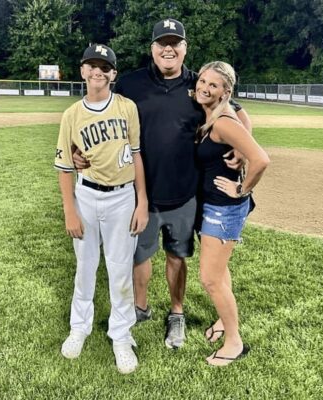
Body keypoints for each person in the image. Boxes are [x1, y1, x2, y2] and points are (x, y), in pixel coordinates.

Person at [74, 19, 251, 350]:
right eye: (161, 43)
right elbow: (96, 113)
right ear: (152, 48)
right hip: (138, 194)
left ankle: (177, 312)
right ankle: (140, 308)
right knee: (139, 257)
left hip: (184, 194)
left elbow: (236, 112)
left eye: (175, 43)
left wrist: (243, 146)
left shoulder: (199, 84)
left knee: (176, 256)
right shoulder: (130, 84)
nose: (168, 48)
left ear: (185, 48)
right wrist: (76, 150)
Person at [54, 44, 148, 374]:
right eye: (91, 65)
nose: (97, 71)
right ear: (82, 71)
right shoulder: (71, 115)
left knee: (120, 269)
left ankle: (121, 335)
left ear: (113, 74)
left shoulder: (127, 107)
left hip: (123, 198)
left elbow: (137, 155)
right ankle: (79, 326)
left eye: (104, 66)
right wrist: (69, 210)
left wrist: (143, 202)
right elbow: (65, 166)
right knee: (85, 266)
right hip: (86, 197)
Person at [194, 61, 269, 366]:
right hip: (211, 204)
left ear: (226, 91)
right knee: (220, 272)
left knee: (210, 279)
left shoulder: (223, 121)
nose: (205, 88)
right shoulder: (218, 111)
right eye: (202, 81)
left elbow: (261, 159)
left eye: (214, 85)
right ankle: (224, 322)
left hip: (223, 208)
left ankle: (234, 342)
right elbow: (242, 113)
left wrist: (242, 189)